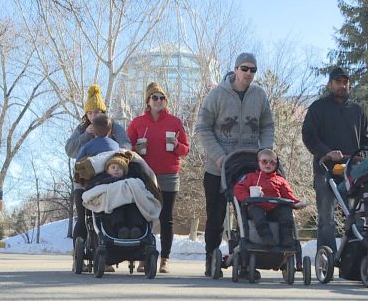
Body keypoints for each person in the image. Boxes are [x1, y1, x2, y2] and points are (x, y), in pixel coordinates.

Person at [196, 52, 274, 277]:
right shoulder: (217, 94)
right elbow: (203, 127)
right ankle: (211, 257)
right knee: (216, 215)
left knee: (249, 213)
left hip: (249, 166)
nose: (248, 73)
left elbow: (267, 124)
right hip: (219, 165)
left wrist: (264, 152)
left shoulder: (259, 95)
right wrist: (218, 155)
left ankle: (245, 258)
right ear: (236, 69)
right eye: (244, 68)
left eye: (253, 70)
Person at [302, 67, 368, 254]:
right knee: (326, 217)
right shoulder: (318, 108)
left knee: (357, 214)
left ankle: (356, 256)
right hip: (325, 170)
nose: (342, 85)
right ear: (330, 84)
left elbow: (366, 139)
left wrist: (361, 156)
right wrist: (327, 152)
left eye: (345, 82)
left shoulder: (358, 110)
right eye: (338, 82)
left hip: (352, 170)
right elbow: (309, 136)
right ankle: (327, 257)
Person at [126, 82, 189, 273]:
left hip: (169, 174)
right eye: (155, 97)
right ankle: (143, 256)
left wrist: (176, 145)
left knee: (166, 218)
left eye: (162, 98)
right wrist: (137, 149)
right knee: (144, 215)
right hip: (145, 173)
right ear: (148, 100)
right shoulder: (138, 122)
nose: (159, 101)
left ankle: (165, 259)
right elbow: (126, 147)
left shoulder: (175, 122)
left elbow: (186, 149)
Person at [65, 84, 130, 248]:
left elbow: (126, 146)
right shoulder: (82, 129)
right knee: (82, 216)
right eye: (90, 113)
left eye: (97, 112)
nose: (93, 116)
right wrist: (87, 136)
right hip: (85, 179)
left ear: (104, 112)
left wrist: (107, 144)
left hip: (111, 176)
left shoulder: (113, 126)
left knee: (110, 212)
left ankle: (110, 247)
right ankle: (79, 250)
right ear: (86, 114)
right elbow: (70, 150)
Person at [234, 149, 306, 247]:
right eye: (264, 162)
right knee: (256, 211)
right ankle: (266, 237)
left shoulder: (280, 180)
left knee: (285, 210)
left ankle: (286, 238)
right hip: (256, 207)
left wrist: (296, 203)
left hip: (274, 209)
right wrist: (248, 198)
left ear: (276, 164)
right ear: (258, 163)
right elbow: (239, 189)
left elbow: (287, 195)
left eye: (272, 162)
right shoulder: (251, 177)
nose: (268, 165)